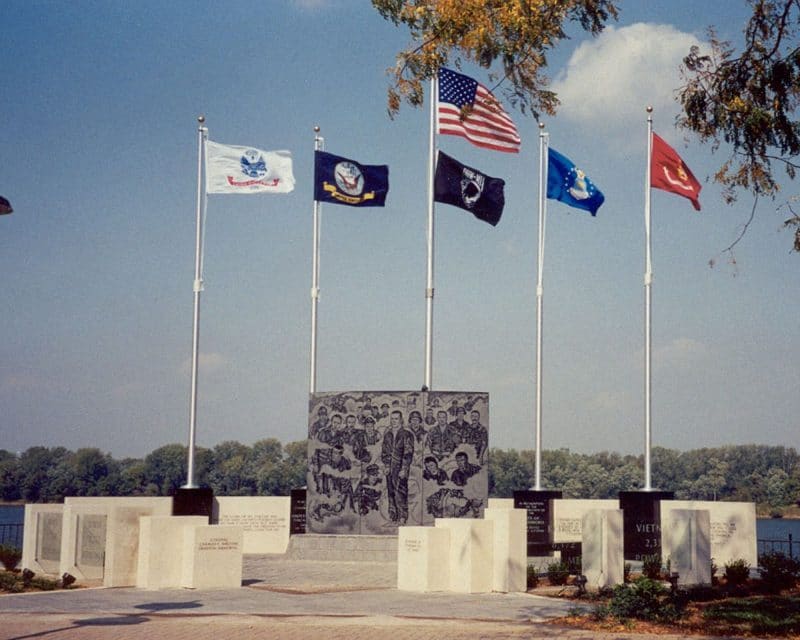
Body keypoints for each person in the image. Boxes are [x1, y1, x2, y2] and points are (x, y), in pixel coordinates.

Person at [380, 410, 414, 524]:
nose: (394, 421)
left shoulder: (407, 434)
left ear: (401, 420)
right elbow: (384, 452)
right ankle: (393, 515)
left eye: (396, 419)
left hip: (401, 467)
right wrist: (386, 466)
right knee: (391, 491)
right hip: (389, 468)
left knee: (401, 491)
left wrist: (404, 468)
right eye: (392, 419)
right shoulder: (388, 435)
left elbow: (408, 453)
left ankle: (403, 516)